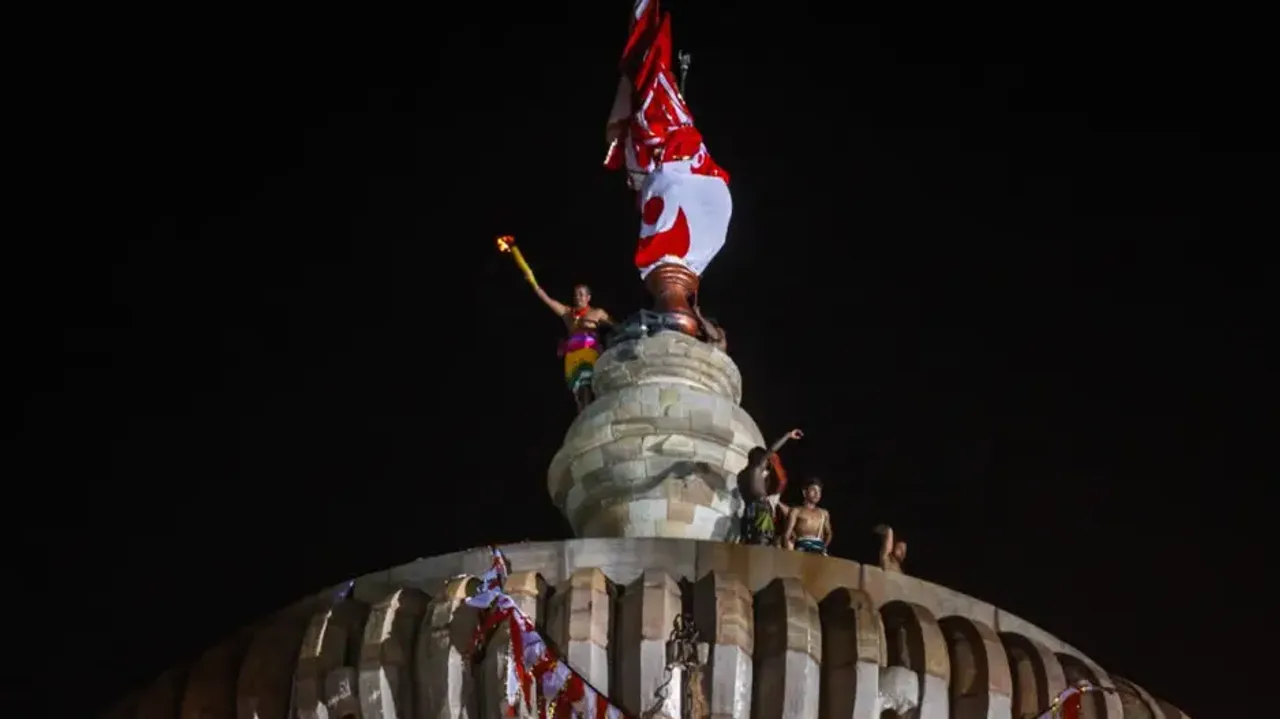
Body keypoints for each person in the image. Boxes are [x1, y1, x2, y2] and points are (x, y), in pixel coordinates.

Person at [534, 283, 613, 412]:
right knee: (579, 393)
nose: (578, 297)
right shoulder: (568, 313)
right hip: (572, 356)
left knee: (586, 384)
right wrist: (534, 284)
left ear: (588, 297)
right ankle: (583, 417)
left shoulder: (597, 313)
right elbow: (547, 299)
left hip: (589, 353)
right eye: (576, 295)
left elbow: (615, 326)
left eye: (581, 294)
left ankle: (589, 413)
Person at [738, 429, 803, 545]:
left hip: (748, 511)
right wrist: (788, 435)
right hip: (760, 510)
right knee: (763, 540)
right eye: (766, 460)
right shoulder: (756, 468)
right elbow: (772, 449)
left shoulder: (740, 476)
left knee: (749, 541)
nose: (767, 464)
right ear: (759, 458)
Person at [784, 477, 832, 555]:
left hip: (819, 551)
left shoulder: (824, 513)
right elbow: (787, 535)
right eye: (814, 490)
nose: (817, 494)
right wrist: (790, 553)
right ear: (804, 492)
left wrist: (822, 548)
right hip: (800, 550)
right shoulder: (796, 511)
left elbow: (829, 533)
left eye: (819, 491)